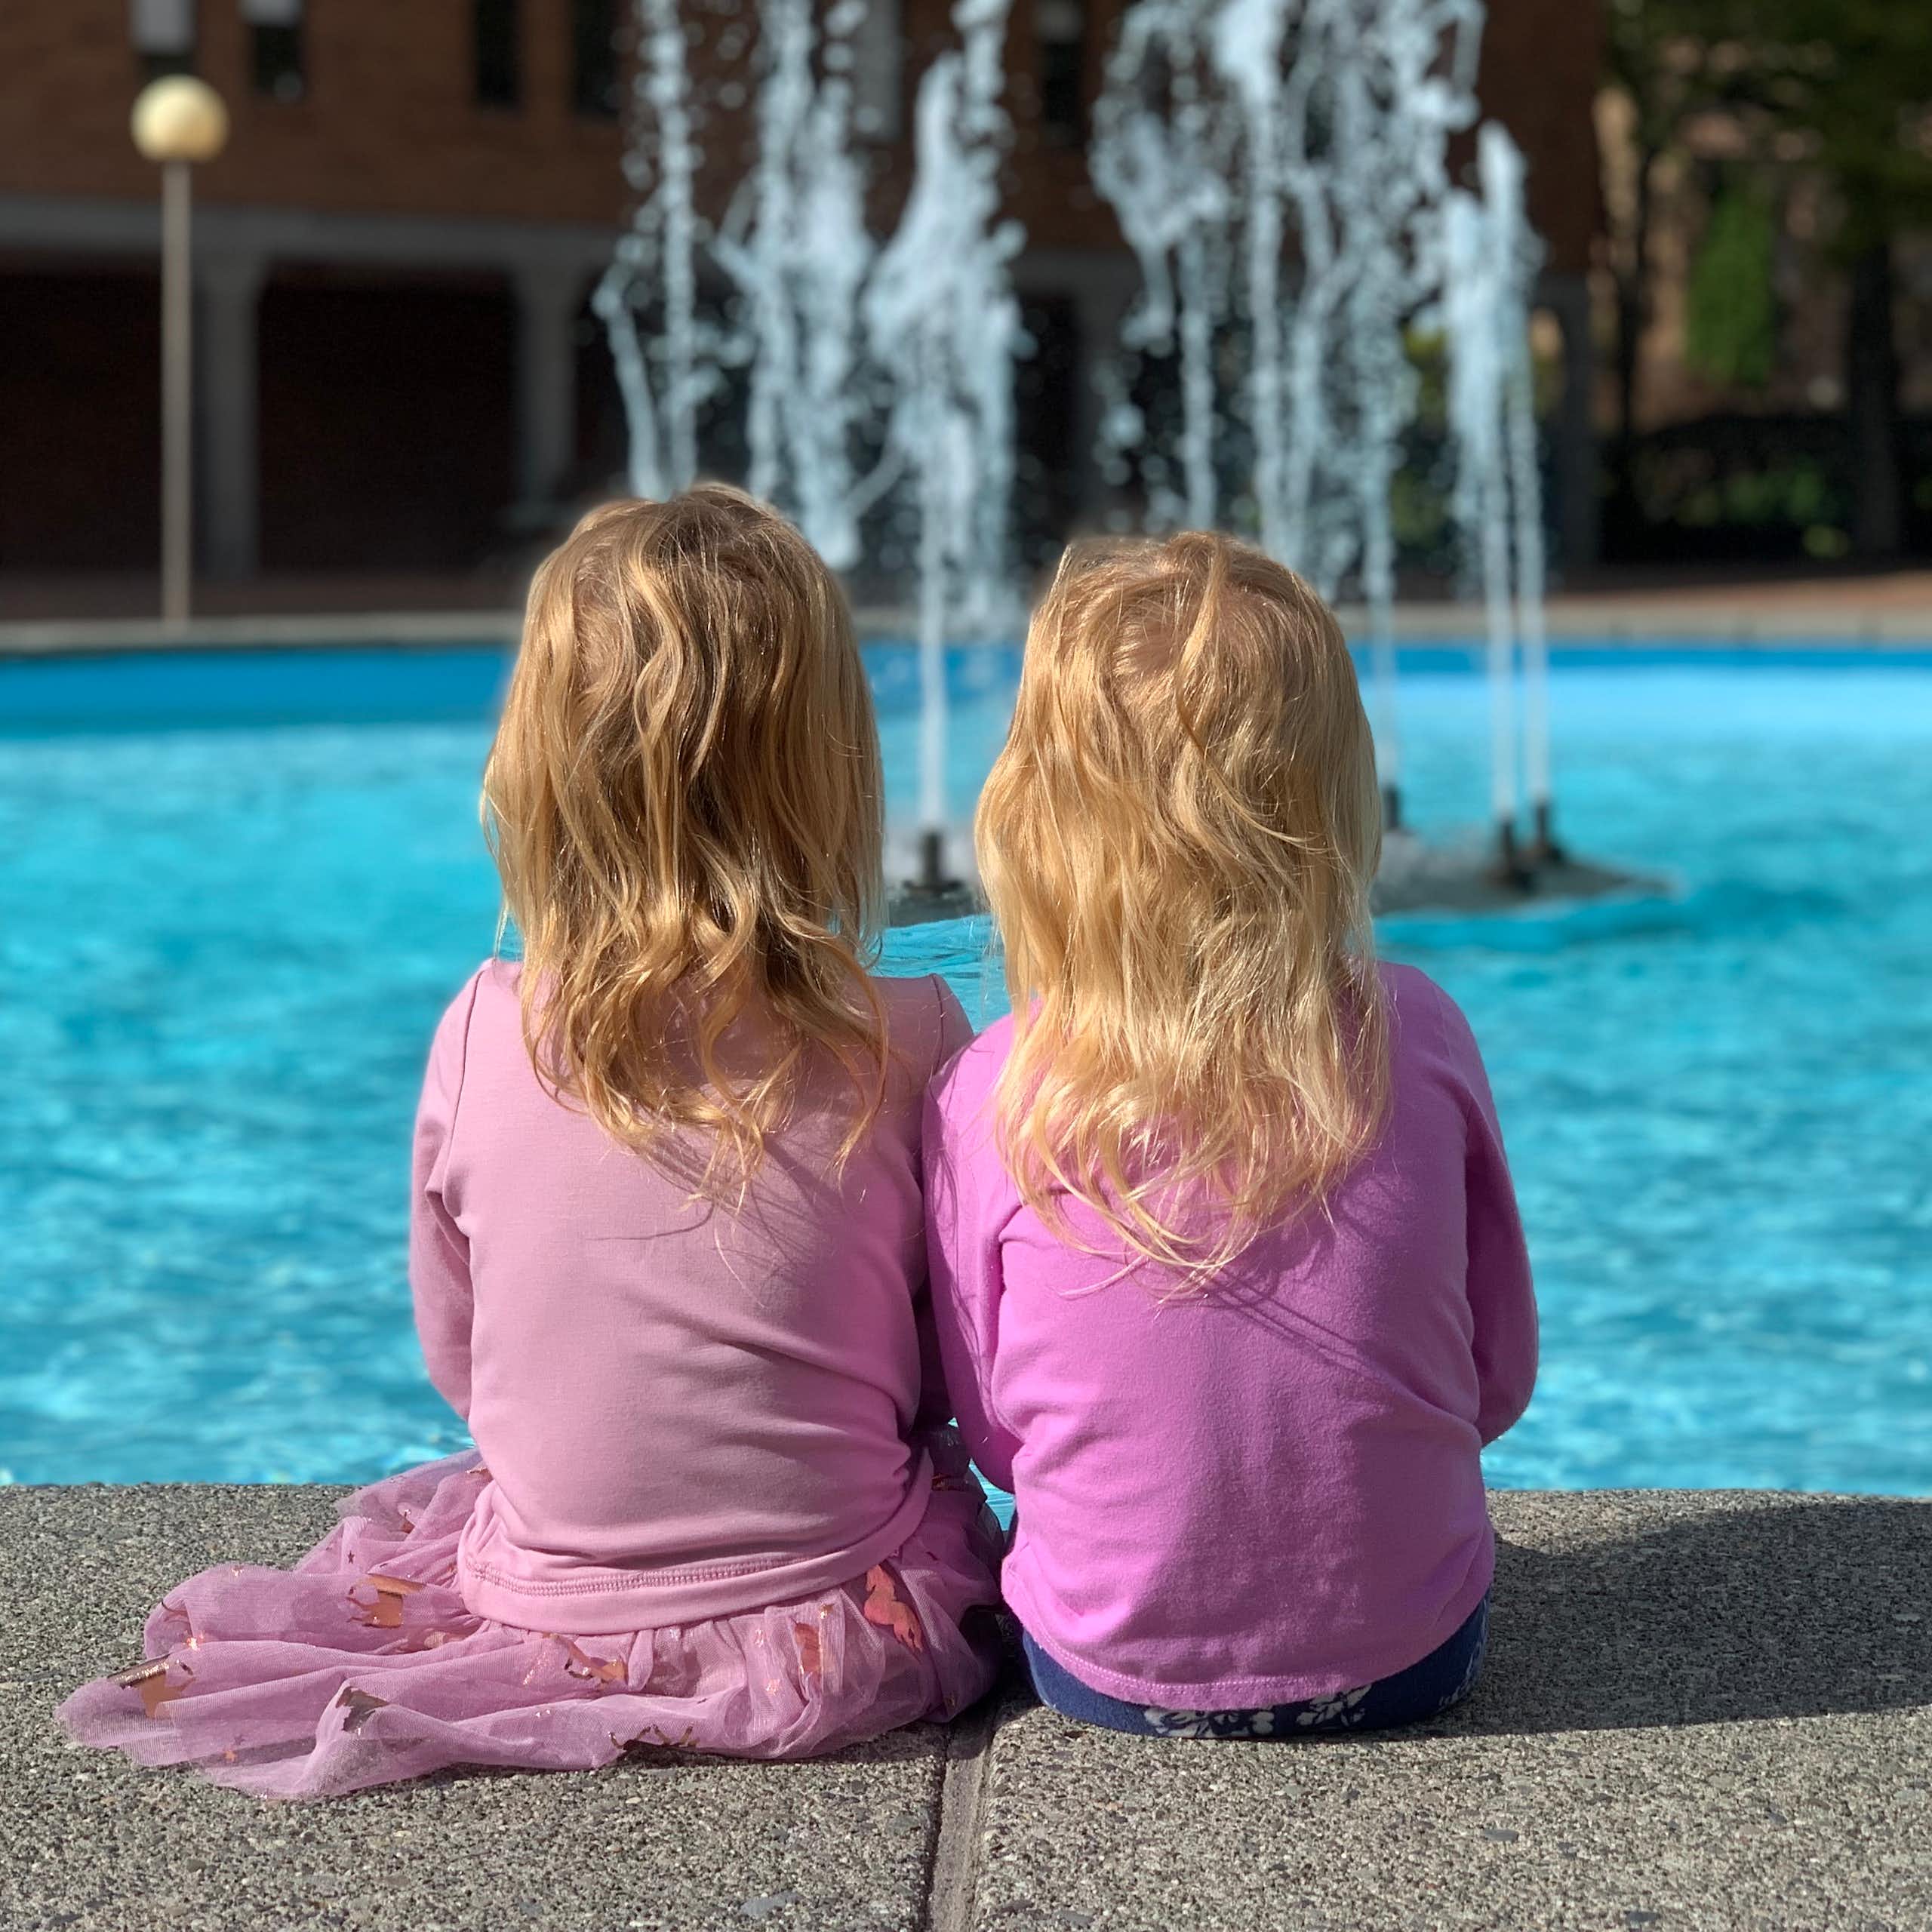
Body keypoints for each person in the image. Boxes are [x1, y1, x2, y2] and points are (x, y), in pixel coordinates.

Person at [61, 489, 1003, 1798]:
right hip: (838, 1611)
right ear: (830, 763)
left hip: (547, 1588)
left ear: (543, 763)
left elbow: (465, 1358)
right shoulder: (912, 1029)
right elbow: (961, 1368)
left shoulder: (478, 1027)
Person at [924, 531, 1537, 1739]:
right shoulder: (1415, 1030)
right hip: (1413, 1653)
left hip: (1102, 1670)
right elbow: (1495, 1378)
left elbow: (998, 1431)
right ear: (1337, 793)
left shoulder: (995, 1089)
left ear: (1042, 817)